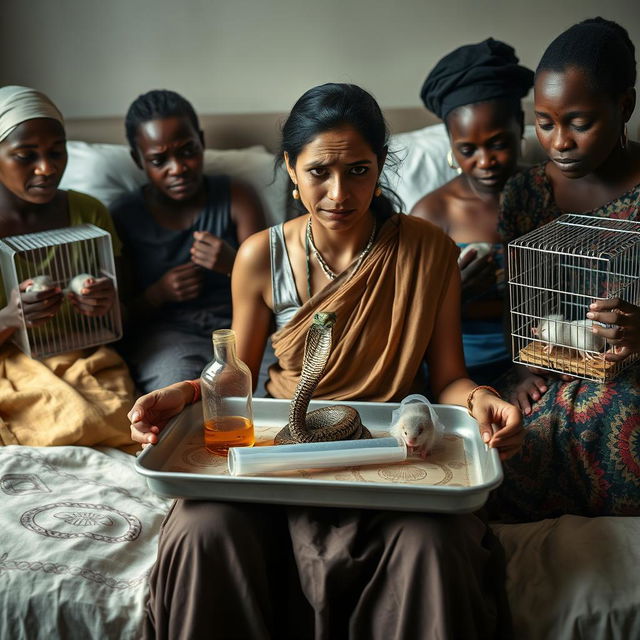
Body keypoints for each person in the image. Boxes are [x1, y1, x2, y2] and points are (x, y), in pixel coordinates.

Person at [129, 83, 523, 640]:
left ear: (380, 165)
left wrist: (483, 400)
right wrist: (186, 395)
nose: (339, 193)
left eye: (359, 171)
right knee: (202, 529)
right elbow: (234, 375)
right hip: (284, 452)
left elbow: (450, 378)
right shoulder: (258, 257)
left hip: (387, 451)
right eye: (319, 172)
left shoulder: (429, 250)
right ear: (290, 168)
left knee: (434, 545)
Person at [491, 17, 640, 521]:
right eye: (545, 122)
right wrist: (518, 376)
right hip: (552, 376)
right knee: (501, 441)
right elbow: (518, 313)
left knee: (616, 416)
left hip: (629, 380)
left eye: (578, 122)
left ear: (624, 107)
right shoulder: (525, 193)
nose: (558, 142)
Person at [0, 85, 136, 453]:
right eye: (25, 156)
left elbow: (124, 315)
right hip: (11, 365)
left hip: (86, 357)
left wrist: (106, 307)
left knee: (119, 419)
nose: (46, 168)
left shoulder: (88, 213)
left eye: (56, 152)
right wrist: (11, 319)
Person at [110, 89, 265, 393]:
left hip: (241, 330)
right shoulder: (124, 215)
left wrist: (235, 265)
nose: (178, 168)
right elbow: (119, 316)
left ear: (202, 142)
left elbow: (276, 287)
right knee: (176, 397)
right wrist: (158, 294)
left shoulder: (237, 197)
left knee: (268, 396)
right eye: (159, 160)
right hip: (169, 337)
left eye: (187, 151)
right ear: (138, 160)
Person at [412, 39, 534, 385]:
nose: (485, 161)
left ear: (520, 125)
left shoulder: (543, 194)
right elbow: (406, 316)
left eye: (498, 143)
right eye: (467, 149)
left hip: (541, 356)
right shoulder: (433, 213)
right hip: (458, 368)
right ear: (450, 143)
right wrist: (452, 296)